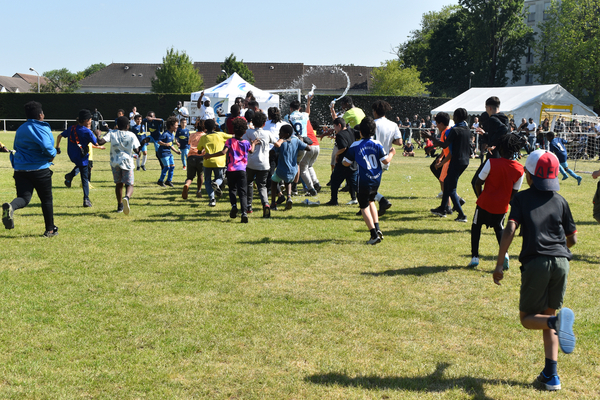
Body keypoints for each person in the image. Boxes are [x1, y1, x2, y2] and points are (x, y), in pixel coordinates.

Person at [493, 149, 577, 392]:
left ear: (529, 175)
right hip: (562, 262)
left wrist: (499, 264)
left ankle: (557, 320)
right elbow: (572, 239)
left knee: (529, 319)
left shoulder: (521, 199)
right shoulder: (561, 201)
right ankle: (551, 376)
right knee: (546, 319)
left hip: (537, 262)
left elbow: (509, 229)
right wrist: (562, 245)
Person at [468, 134, 525, 269]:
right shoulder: (520, 169)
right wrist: (504, 200)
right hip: (502, 206)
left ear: (501, 149)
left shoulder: (491, 162)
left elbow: (478, 183)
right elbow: (514, 193)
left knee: (476, 226)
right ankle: (504, 254)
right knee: (499, 228)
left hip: (485, 202)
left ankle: (475, 257)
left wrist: (480, 196)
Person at [2, 101, 58, 237]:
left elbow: (16, 147)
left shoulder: (20, 128)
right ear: (40, 115)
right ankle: (50, 230)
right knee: (46, 199)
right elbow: (46, 146)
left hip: (20, 169)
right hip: (39, 169)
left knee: (24, 197)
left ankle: (11, 207)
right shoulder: (41, 127)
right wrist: (53, 154)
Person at [342, 116, 396, 245]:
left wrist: (347, 160)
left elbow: (346, 163)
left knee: (363, 206)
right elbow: (385, 161)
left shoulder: (356, 145)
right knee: (371, 201)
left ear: (360, 131)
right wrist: (392, 153)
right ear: (374, 131)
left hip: (364, 180)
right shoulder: (377, 144)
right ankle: (377, 229)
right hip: (376, 179)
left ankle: (373, 235)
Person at [422, 108, 471, 222]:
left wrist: (430, 137)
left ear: (457, 117)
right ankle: (443, 208)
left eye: (454, 116)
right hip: (465, 161)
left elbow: (444, 145)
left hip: (456, 161)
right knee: (448, 184)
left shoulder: (455, 130)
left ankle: (462, 215)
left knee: (451, 188)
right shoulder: (467, 129)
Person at [204, 118, 257, 223]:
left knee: (232, 189)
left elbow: (223, 152)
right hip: (242, 170)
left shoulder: (229, 141)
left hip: (231, 169)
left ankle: (233, 206)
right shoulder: (246, 143)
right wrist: (254, 143)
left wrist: (210, 155)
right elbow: (251, 151)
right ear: (245, 132)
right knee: (242, 192)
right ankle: (244, 213)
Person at [56, 109, 106, 208]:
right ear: (86, 120)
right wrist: (98, 135)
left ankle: (70, 176)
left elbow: (59, 136)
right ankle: (86, 199)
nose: (91, 121)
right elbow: (97, 143)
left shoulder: (71, 128)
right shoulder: (87, 132)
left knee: (80, 165)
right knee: (84, 178)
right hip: (82, 156)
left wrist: (57, 147)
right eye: (90, 119)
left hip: (71, 154)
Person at [103, 116, 140, 214]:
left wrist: (98, 134)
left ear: (117, 125)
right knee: (129, 184)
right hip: (127, 162)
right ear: (128, 126)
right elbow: (137, 150)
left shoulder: (112, 133)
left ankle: (120, 206)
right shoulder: (132, 135)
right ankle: (126, 197)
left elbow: (100, 142)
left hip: (115, 162)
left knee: (119, 184)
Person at [243, 111, 277, 217]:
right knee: (262, 186)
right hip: (264, 164)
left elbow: (244, 145)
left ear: (252, 122)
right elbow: (276, 144)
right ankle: (265, 204)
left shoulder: (248, 132)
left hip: (251, 163)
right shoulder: (267, 133)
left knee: (248, 182)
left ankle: (248, 205)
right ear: (264, 123)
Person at [270, 125, 310, 211]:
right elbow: (308, 148)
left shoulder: (281, 143)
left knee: (273, 181)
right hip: (293, 170)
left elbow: (272, 152)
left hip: (282, 169)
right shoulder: (296, 141)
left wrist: (276, 143)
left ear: (286, 134)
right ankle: (289, 197)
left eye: (281, 133)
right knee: (288, 181)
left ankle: (273, 203)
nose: (279, 134)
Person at [372, 100, 401, 215]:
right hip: (386, 158)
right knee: (372, 184)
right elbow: (399, 142)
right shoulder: (393, 124)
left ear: (375, 111)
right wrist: (389, 141)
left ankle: (382, 200)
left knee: (363, 184)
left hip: (372, 158)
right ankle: (368, 207)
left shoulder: (372, 123)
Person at [197, 119, 233, 207]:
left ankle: (212, 199)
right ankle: (217, 184)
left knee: (207, 181)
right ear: (214, 127)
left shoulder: (203, 137)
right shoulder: (221, 135)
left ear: (205, 128)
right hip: (219, 161)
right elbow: (233, 136)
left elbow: (199, 151)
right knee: (220, 178)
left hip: (207, 162)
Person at [324, 118, 358, 207]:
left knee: (334, 181)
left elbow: (343, 147)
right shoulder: (352, 131)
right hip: (353, 161)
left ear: (339, 125)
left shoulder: (340, 135)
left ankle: (334, 200)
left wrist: (336, 154)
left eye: (335, 126)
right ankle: (362, 199)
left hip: (343, 163)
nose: (334, 129)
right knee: (354, 183)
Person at [182, 120, 206, 200]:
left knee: (190, 177)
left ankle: (187, 185)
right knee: (200, 174)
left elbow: (189, 143)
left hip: (191, 156)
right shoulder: (204, 135)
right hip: (200, 157)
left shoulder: (192, 135)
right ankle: (199, 190)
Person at [156, 116, 181, 187]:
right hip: (163, 152)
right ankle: (160, 181)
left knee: (172, 166)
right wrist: (165, 144)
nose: (177, 127)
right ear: (171, 126)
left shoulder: (172, 135)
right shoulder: (165, 134)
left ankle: (168, 181)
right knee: (167, 167)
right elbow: (159, 141)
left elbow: (171, 144)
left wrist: (176, 151)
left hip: (168, 152)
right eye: (176, 125)